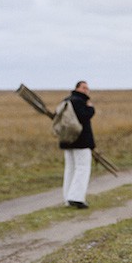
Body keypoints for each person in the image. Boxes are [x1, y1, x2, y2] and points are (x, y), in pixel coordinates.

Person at [61, 81, 96, 209]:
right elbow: (84, 115)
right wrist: (91, 108)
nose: (86, 90)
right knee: (82, 168)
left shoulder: (66, 101)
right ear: (77, 88)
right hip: (81, 141)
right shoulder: (79, 101)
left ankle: (68, 197)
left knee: (70, 169)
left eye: (87, 88)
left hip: (67, 140)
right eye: (84, 87)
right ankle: (76, 198)